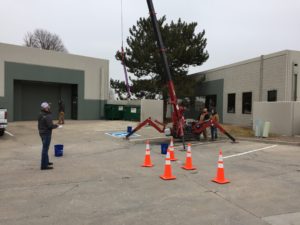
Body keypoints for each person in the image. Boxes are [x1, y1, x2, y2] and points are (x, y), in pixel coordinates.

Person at [38, 102, 61, 170]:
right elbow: (50, 126)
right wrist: (57, 125)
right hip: (46, 133)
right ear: (45, 108)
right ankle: (43, 166)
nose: (49, 107)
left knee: (45, 148)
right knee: (45, 149)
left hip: (42, 133)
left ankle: (46, 162)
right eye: (48, 106)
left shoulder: (40, 114)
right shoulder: (47, 115)